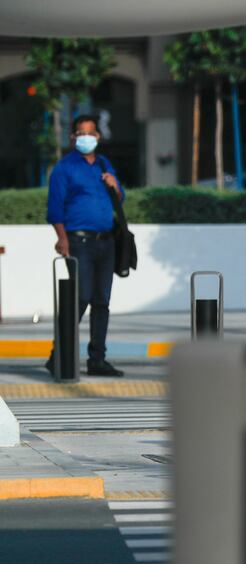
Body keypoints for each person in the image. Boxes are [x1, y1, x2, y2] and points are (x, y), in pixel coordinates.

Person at [45, 114, 125, 377]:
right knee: (79, 299)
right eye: (81, 134)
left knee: (101, 301)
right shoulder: (64, 168)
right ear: (73, 137)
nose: (86, 138)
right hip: (79, 242)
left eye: (90, 133)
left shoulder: (104, 163)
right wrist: (62, 238)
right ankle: (60, 354)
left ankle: (97, 359)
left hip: (106, 242)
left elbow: (119, 199)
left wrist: (115, 186)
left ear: (98, 137)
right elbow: (55, 208)